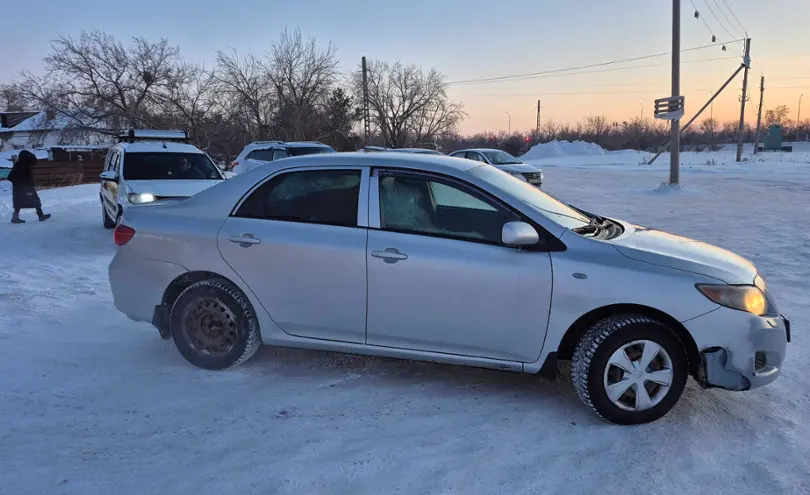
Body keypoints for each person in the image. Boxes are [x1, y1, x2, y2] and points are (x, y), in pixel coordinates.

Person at [7, 150, 51, 224]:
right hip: (26, 188)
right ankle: (41, 216)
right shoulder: (25, 166)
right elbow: (26, 178)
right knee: (35, 201)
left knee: (18, 202)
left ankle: (15, 218)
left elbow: (10, 177)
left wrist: (17, 184)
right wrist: (25, 186)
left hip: (18, 188)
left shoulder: (18, 165)